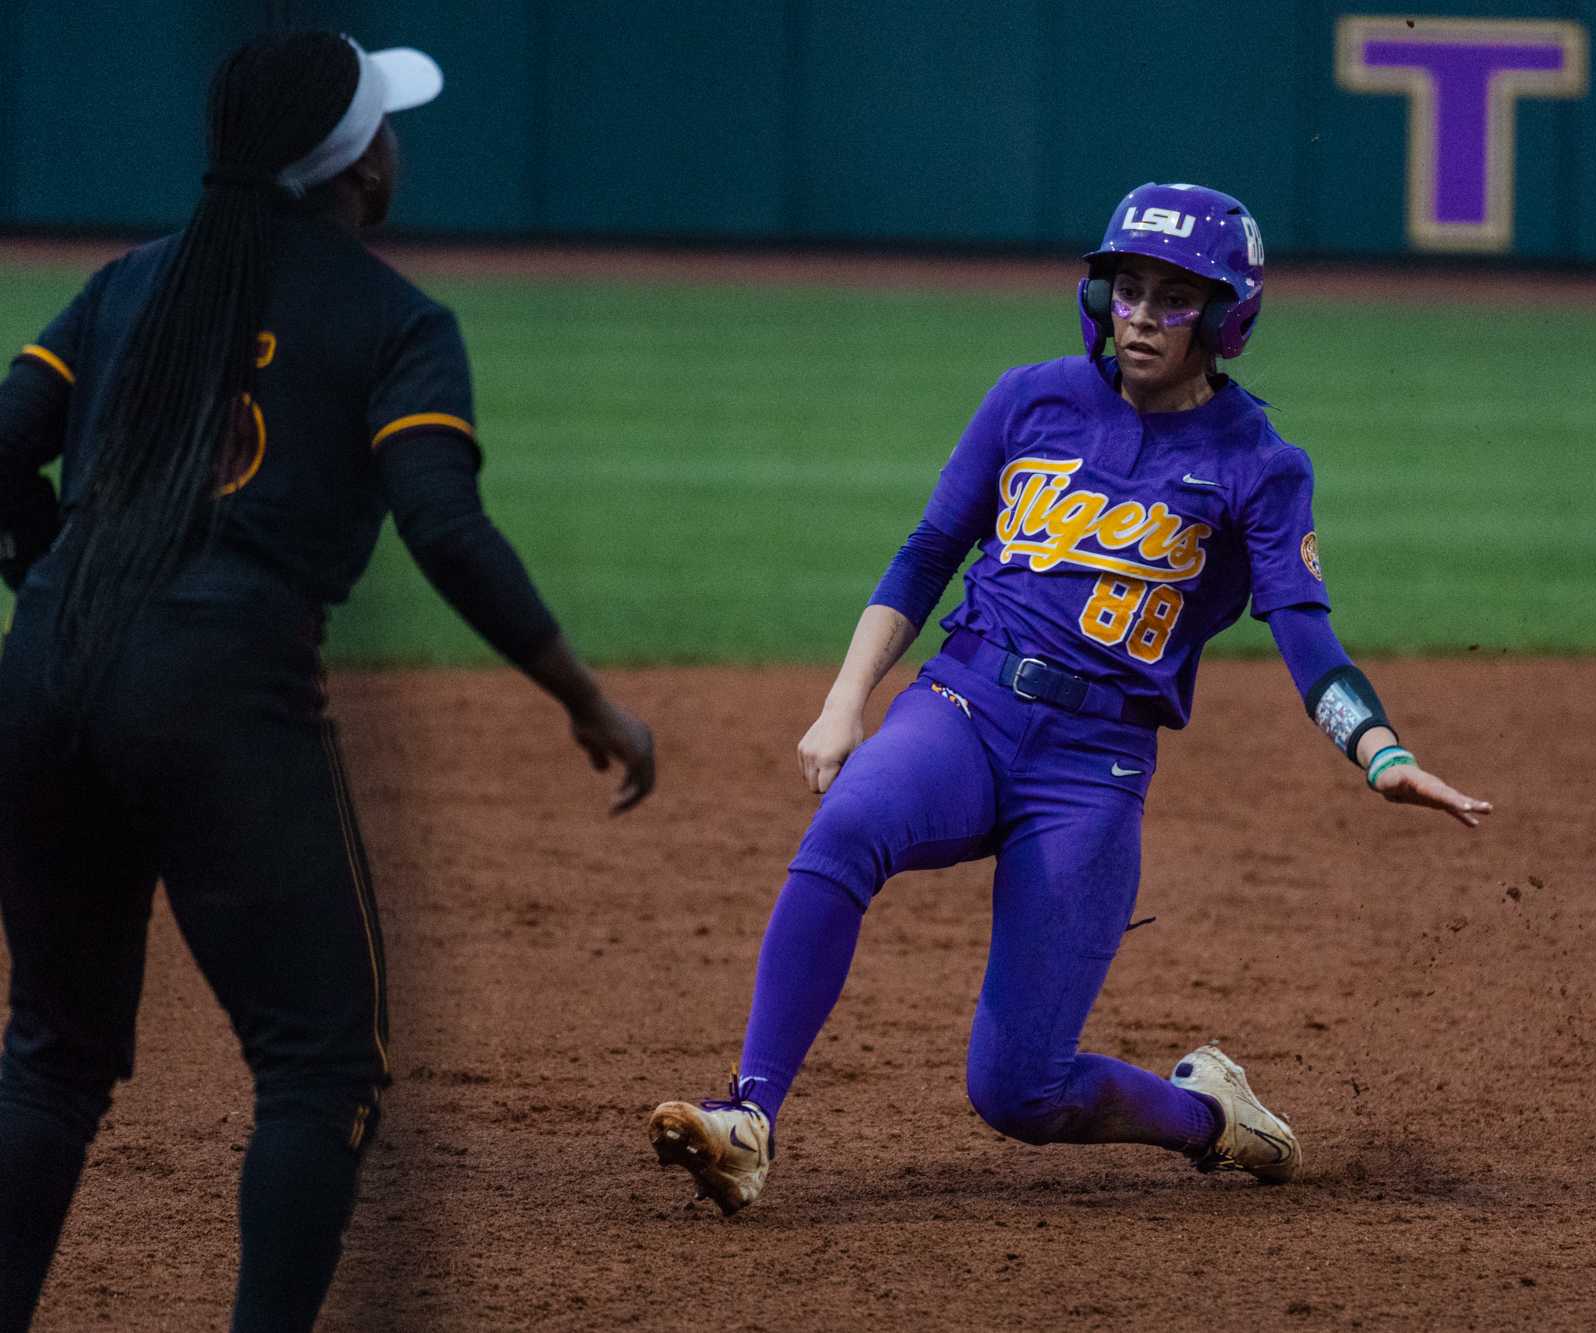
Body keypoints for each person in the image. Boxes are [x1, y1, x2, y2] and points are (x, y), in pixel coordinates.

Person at [645, 182, 1489, 1216]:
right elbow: (924, 557)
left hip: (1092, 767)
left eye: (1173, 299)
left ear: (1225, 318)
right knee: (849, 821)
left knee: (1017, 1090)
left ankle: (1212, 1118)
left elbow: (1305, 634)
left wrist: (1378, 752)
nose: (1139, 315)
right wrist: (843, 699)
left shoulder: (1258, 466)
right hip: (964, 703)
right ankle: (748, 1117)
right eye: (1125, 289)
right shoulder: (1030, 398)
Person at [0, 31, 653, 1331]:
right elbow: (446, 527)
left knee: (52, 1058)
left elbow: (5, 447)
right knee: (320, 1070)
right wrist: (585, 698)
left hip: (45, 676)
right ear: (356, 169)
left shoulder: (129, 282)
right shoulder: (392, 318)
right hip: (222, 697)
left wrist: (50, 576)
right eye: (386, 126)